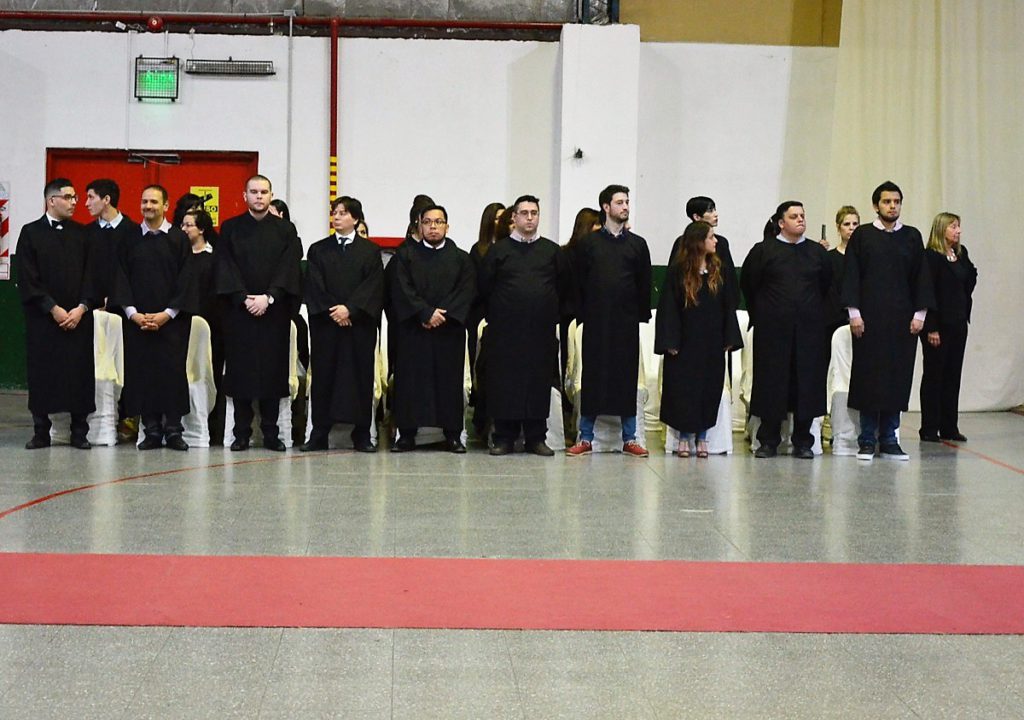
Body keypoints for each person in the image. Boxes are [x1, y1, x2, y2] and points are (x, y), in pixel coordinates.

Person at [841, 181, 934, 461]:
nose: (892, 206)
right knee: (870, 377)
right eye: (886, 202)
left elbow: (921, 277)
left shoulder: (912, 236)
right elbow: (852, 275)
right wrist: (854, 313)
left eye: (896, 201)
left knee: (897, 377)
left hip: (902, 321)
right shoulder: (863, 236)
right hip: (869, 320)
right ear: (876, 206)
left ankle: (890, 438)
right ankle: (867, 439)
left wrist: (920, 315)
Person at [215, 175, 302, 451]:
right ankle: (241, 433)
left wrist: (270, 297)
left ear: (270, 194)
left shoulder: (285, 230)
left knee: (272, 373)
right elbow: (225, 267)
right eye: (253, 192)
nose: (259, 196)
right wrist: (243, 298)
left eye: (264, 192)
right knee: (241, 374)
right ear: (245, 196)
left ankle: (271, 433)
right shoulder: (230, 229)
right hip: (239, 314)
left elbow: (288, 268)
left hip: (273, 313)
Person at [566, 184, 652, 458]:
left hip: (625, 323)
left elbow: (643, 283)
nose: (625, 207)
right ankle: (586, 437)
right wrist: (584, 314)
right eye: (619, 202)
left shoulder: (637, 245)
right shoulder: (589, 244)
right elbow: (578, 282)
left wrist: (638, 315)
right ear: (606, 207)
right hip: (596, 322)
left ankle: (630, 437)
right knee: (593, 378)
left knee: (626, 379)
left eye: (627, 202)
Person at [740, 201, 832, 458]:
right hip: (772, 331)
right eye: (794, 216)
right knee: (772, 382)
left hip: (809, 332)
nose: (801, 220)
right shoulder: (763, 251)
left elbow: (826, 285)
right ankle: (768, 440)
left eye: (803, 215)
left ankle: (803, 440)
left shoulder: (817, 253)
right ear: (781, 223)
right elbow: (749, 284)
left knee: (806, 382)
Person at [109, 185, 195, 450]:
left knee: (171, 375)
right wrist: (133, 314)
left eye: (154, 202)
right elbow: (120, 277)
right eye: (144, 201)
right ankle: (152, 431)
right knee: (143, 374)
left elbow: (186, 281)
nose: (148, 206)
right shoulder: (130, 238)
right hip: (138, 323)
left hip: (172, 323)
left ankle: (173, 431)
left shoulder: (179, 240)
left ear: (166, 206)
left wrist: (167, 314)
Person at [478, 195, 565, 456]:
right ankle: (504, 437)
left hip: (540, 332)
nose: (529, 218)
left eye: (534, 213)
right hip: (505, 332)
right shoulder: (499, 251)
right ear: (513, 218)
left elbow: (565, 287)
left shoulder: (552, 251)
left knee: (538, 383)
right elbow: (484, 288)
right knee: (505, 383)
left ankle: (536, 437)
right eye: (524, 213)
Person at [14, 178, 96, 449]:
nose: (75, 202)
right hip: (44, 321)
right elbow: (28, 278)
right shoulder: (30, 233)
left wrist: (81, 308)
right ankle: (40, 431)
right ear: (52, 200)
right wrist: (53, 308)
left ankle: (79, 432)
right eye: (69, 197)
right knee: (42, 373)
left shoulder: (83, 234)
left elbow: (91, 276)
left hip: (78, 318)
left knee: (79, 373)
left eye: (75, 197)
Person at [389, 204, 476, 453]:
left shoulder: (461, 258)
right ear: (419, 225)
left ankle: (452, 434)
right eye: (427, 222)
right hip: (414, 331)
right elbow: (401, 289)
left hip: (448, 333)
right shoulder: (404, 257)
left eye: (438, 222)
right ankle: (406, 434)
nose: (433, 227)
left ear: (447, 226)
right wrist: (424, 313)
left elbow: (465, 290)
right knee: (410, 382)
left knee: (448, 382)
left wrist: (441, 315)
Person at [301, 196, 384, 453]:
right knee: (324, 377)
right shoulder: (318, 249)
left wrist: (351, 309)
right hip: (327, 326)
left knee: (360, 376)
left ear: (356, 218)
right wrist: (334, 310)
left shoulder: (370, 252)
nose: (336, 217)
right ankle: (319, 434)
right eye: (334, 212)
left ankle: (361, 434)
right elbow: (314, 284)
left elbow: (373, 286)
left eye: (343, 213)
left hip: (358, 327)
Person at [655, 221, 742, 458]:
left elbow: (727, 306)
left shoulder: (718, 270)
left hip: (711, 341)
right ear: (698, 241)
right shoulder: (678, 271)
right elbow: (668, 307)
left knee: (708, 387)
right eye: (711, 237)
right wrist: (670, 340)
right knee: (683, 388)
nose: (716, 241)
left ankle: (702, 437)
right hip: (684, 342)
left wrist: (729, 337)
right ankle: (684, 437)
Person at [919, 212, 977, 443]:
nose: (958, 231)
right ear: (942, 229)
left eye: (959, 227)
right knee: (934, 375)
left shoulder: (961, 255)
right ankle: (930, 427)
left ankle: (949, 426)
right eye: (953, 227)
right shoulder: (931, 257)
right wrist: (931, 327)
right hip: (938, 326)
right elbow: (927, 291)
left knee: (953, 375)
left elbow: (969, 278)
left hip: (958, 323)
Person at [84, 178, 138, 308]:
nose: (86, 203)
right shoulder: (86, 233)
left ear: (106, 199)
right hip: (92, 307)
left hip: (127, 307)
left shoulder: (134, 231)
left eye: (91, 197)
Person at [825, 206, 859, 343]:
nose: (851, 228)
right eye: (847, 224)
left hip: (859, 320)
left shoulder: (864, 258)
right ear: (839, 228)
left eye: (855, 224)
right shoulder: (829, 258)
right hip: (834, 319)